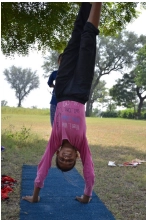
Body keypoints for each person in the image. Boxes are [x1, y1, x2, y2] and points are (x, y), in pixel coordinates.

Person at [22, 2, 102, 204]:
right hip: (80, 91)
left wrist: (35, 196)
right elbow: (89, 169)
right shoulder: (81, 143)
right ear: (76, 155)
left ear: (57, 153)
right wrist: (86, 196)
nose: (66, 157)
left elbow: (42, 166)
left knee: (75, 37)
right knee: (87, 40)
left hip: (63, 88)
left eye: (62, 159)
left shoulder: (55, 140)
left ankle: (86, 4)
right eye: (70, 160)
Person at [47, 54, 63, 127]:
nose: (62, 61)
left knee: (63, 123)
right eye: (61, 60)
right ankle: (55, 137)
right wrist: (55, 87)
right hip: (54, 100)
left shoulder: (70, 73)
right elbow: (49, 83)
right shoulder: (55, 73)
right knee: (53, 123)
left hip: (65, 102)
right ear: (58, 61)